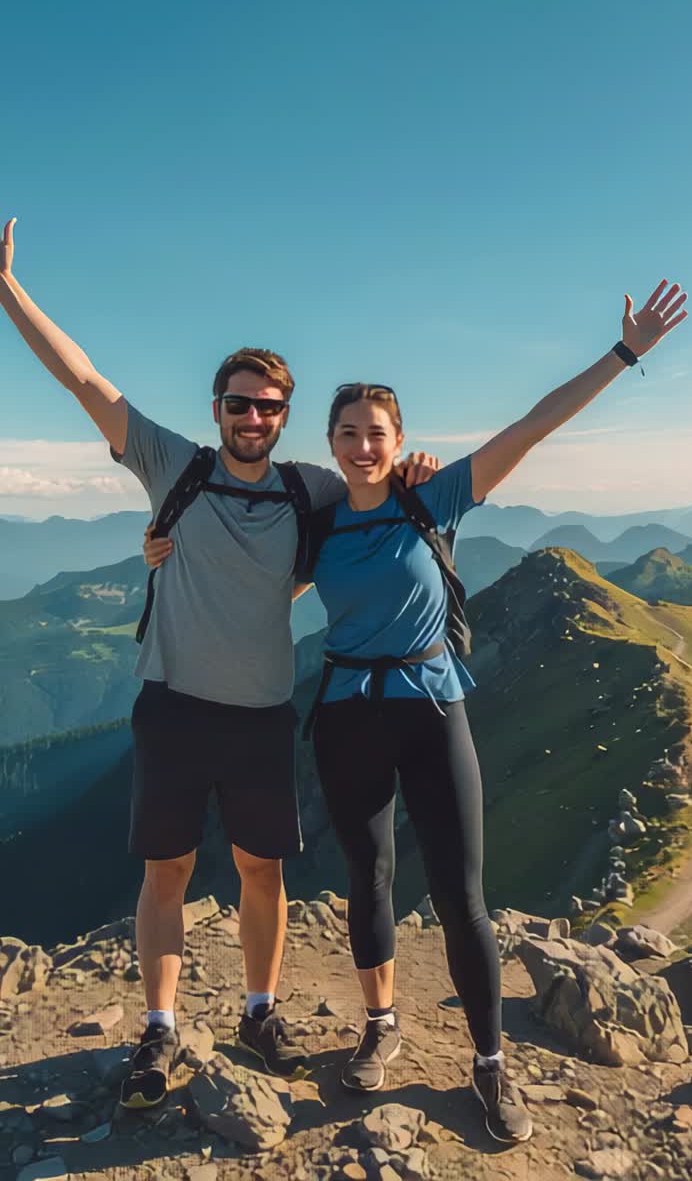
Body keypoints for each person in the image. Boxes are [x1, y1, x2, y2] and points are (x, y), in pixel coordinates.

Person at [146, 276, 689, 1146]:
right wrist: (161, 557)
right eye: (349, 434)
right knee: (369, 879)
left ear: (400, 442)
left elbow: (534, 426)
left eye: (377, 434)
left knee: (459, 893)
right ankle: (381, 1024)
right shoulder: (317, 520)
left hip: (432, 706)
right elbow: (251, 586)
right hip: (349, 715)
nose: (363, 446)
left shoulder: (429, 498)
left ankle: (489, 1064)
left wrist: (624, 355)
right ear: (330, 442)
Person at [0, 216, 437, 1111]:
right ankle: (157, 1033)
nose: (253, 417)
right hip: (173, 706)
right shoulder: (174, 466)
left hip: (263, 714)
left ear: (284, 415)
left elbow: (370, 499)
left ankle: (258, 1011)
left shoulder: (307, 488)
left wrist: (414, 472)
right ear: (216, 410)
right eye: (239, 403)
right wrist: (9, 290)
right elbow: (83, 378)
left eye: (269, 406)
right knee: (165, 873)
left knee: (261, 871)